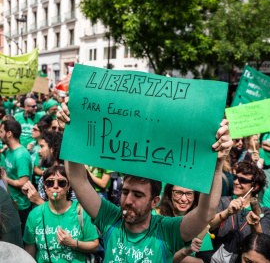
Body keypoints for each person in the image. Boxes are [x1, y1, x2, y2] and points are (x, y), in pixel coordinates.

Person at [57, 99, 233, 263]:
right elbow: (78, 180)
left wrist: (217, 165)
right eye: (125, 192)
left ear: (154, 201)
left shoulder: (167, 230)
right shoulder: (110, 218)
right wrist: (71, 132)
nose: (128, 200)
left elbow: (206, 213)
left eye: (138, 195)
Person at [23, 166, 99, 262]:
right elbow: (30, 252)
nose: (55, 186)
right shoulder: (35, 214)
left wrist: (72, 243)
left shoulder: (81, 211)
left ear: (68, 186)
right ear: (45, 186)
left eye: (61, 183)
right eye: (50, 183)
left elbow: (94, 245)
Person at [209, 162, 270, 258]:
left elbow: (263, 245)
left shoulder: (264, 212)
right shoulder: (223, 202)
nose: (236, 182)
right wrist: (226, 213)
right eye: (235, 178)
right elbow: (209, 226)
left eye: (242, 180)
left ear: (255, 187)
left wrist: (255, 225)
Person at [157, 184, 212, 262]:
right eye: (178, 193)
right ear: (169, 193)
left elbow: (204, 260)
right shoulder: (155, 216)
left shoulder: (200, 224)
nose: (183, 199)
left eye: (189, 193)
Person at [0, 119, 33, 235]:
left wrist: (4, 178)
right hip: (11, 202)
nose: (0, 135)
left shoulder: (21, 155)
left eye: (1, 131)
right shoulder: (9, 151)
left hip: (20, 206)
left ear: (9, 134)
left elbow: (23, 182)